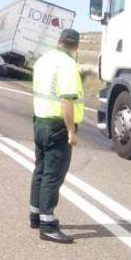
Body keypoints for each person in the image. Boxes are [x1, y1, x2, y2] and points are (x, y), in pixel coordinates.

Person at [29, 29, 84, 244]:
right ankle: (48, 225)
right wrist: (71, 131)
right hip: (58, 126)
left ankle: (35, 215)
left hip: (40, 121)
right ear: (76, 47)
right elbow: (66, 100)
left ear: (59, 42)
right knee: (53, 175)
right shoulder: (68, 64)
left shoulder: (43, 60)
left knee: (40, 170)